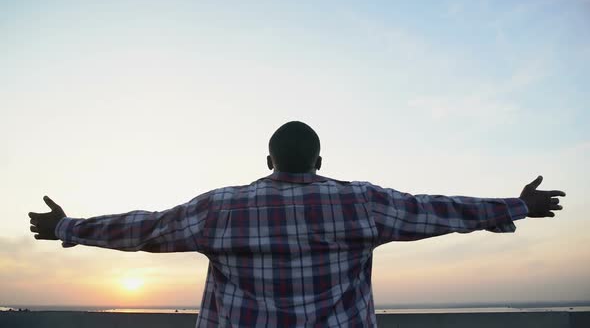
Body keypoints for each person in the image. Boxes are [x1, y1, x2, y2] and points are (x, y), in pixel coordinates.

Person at [28, 121, 565, 327]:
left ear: (268, 162)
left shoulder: (220, 207)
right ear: (319, 161)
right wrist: (517, 206)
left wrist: (66, 228)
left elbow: (144, 229)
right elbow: (436, 211)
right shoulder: (362, 203)